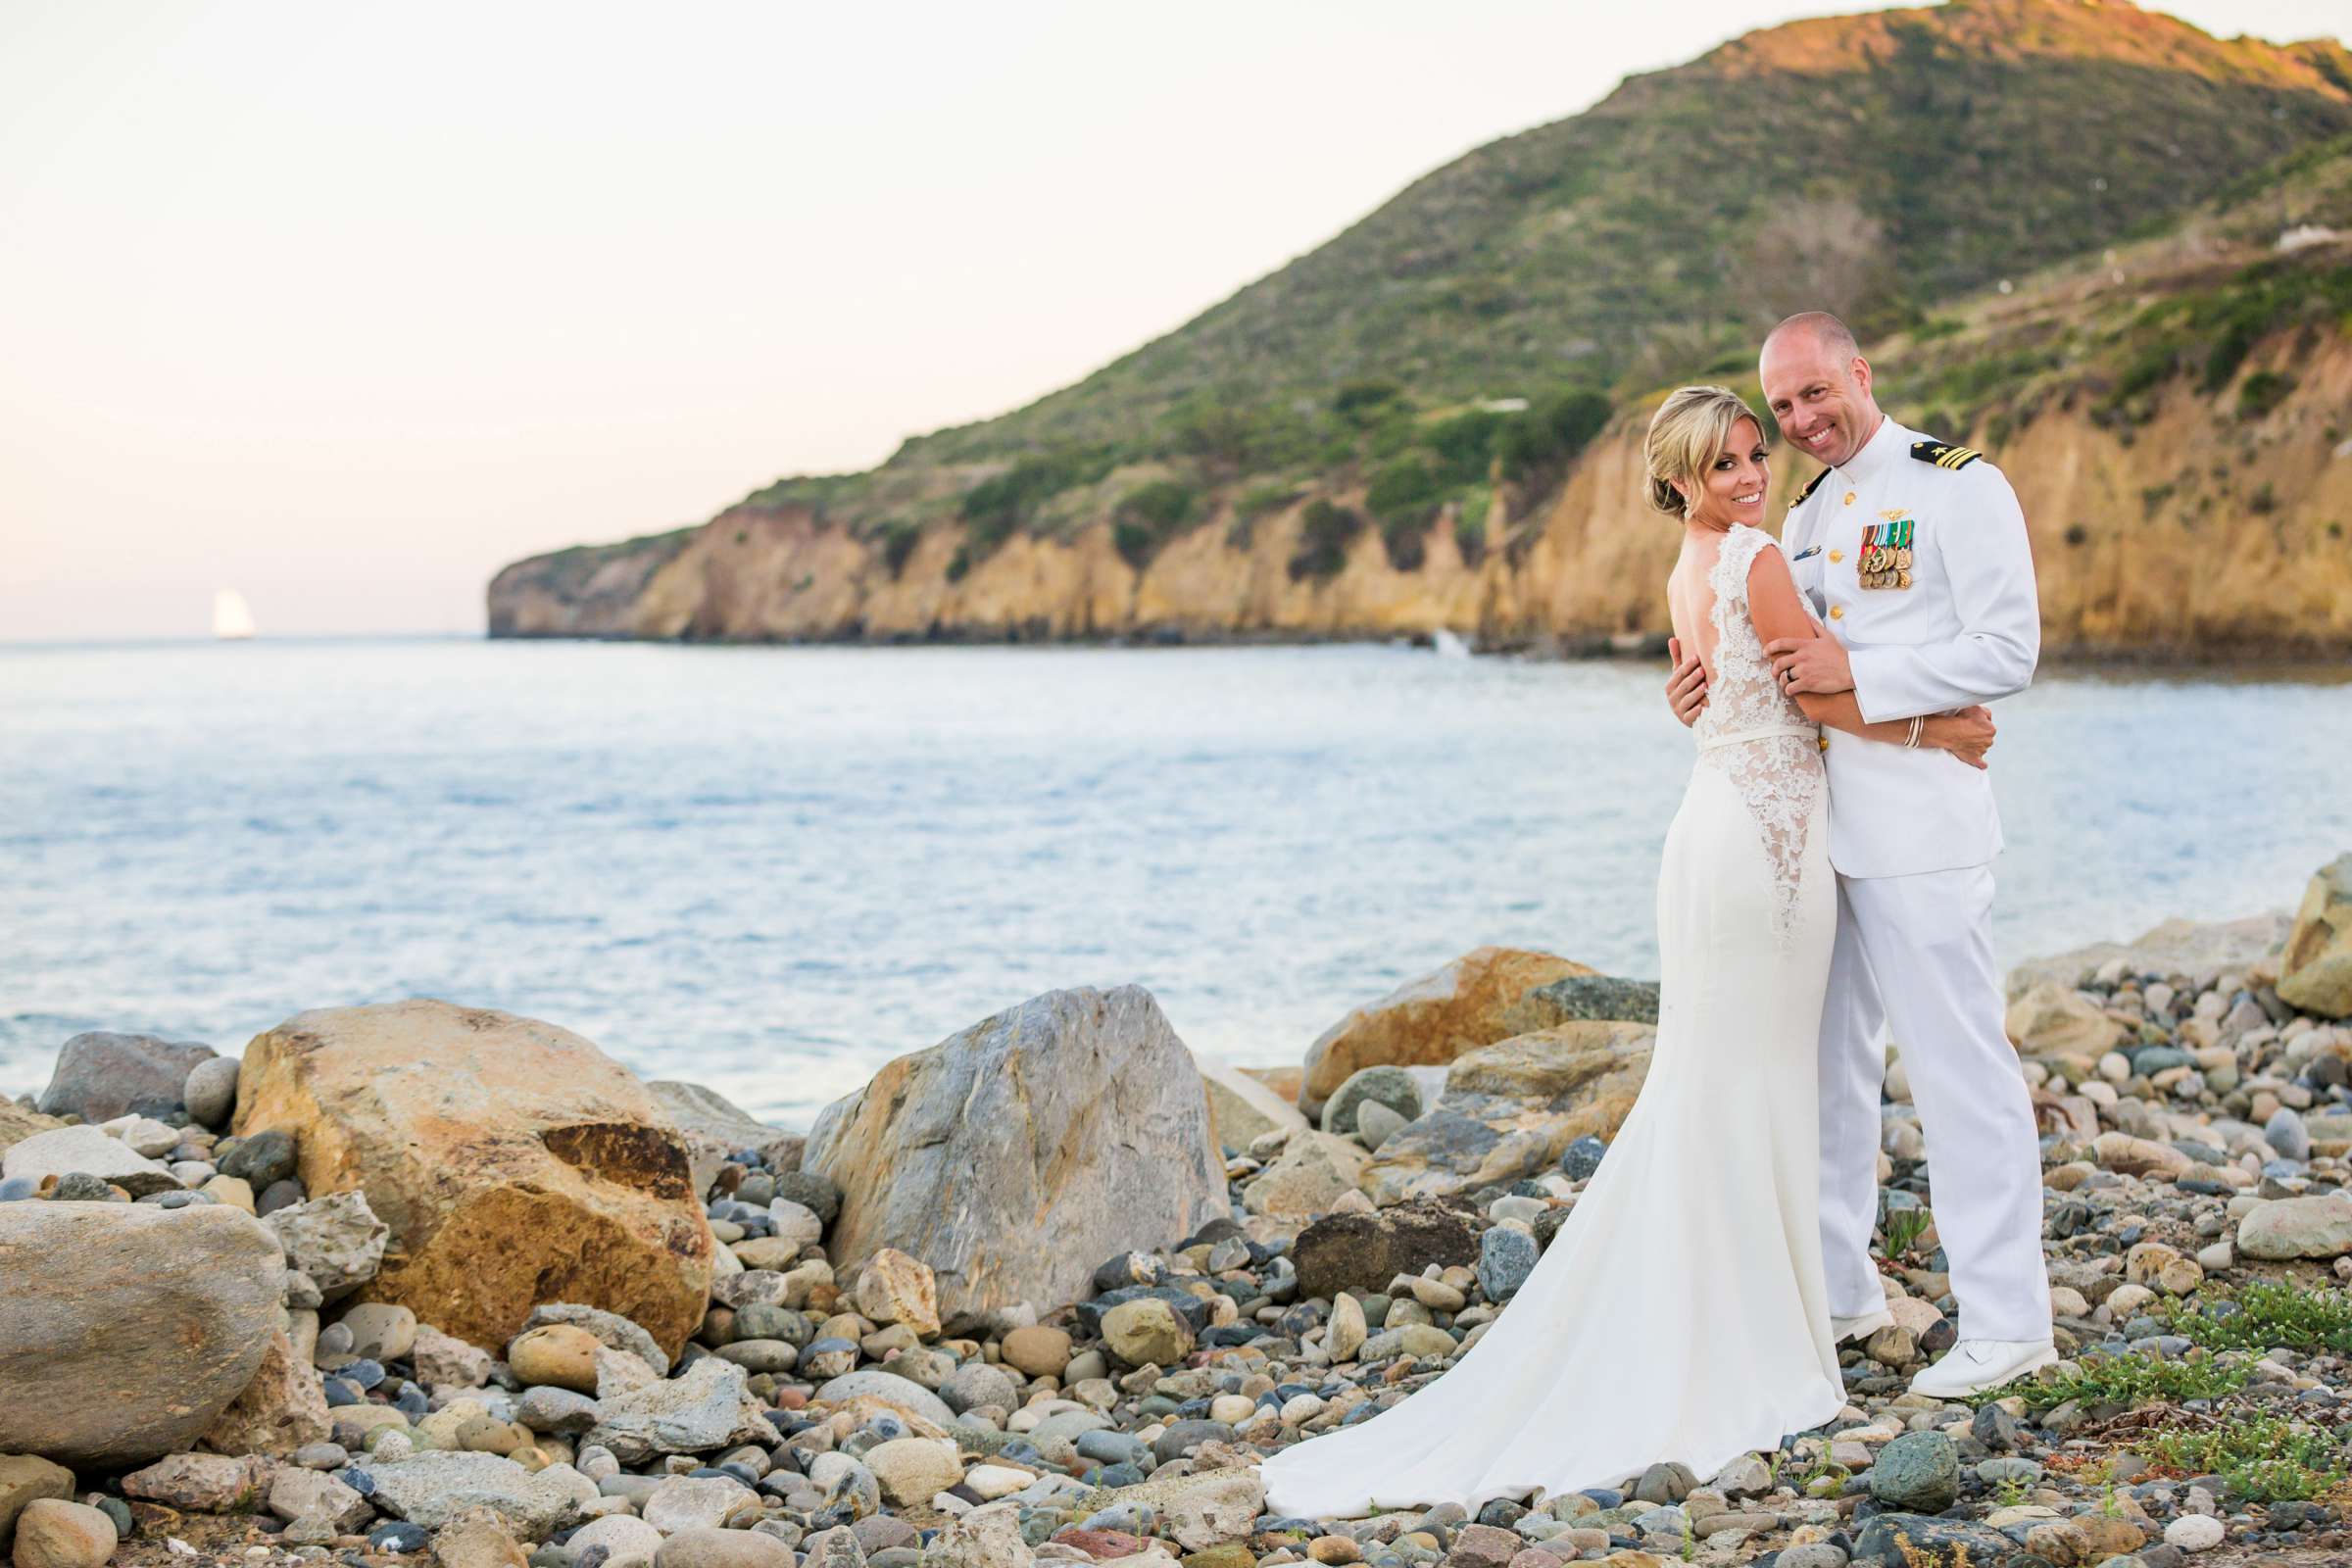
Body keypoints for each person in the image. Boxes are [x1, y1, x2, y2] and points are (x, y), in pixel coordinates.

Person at [1255, 385, 1993, 1521]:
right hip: (1766, 852)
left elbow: (1727, 697)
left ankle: (1735, 1311)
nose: (1750, 476)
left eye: (1755, 453)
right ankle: (1752, 1337)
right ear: (1680, 481)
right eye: (1724, 463)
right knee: (1755, 1083)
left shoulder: (1687, 567)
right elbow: (1815, 691)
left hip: (1714, 834)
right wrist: (1941, 727)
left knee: (1716, 1082)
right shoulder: (1753, 558)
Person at [1665, 312, 2055, 1399]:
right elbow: (1775, 669)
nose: (1799, 419)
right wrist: (1700, 688)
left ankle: (2008, 1322)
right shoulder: (1809, 508)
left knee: (1956, 1067)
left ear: (1859, 374)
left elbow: (2007, 648)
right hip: (1812, 833)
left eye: (1813, 394)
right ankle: (1841, 1295)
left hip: (1923, 828)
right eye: (1781, 406)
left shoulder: (1956, 486)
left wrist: (1868, 682)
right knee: (1825, 1068)